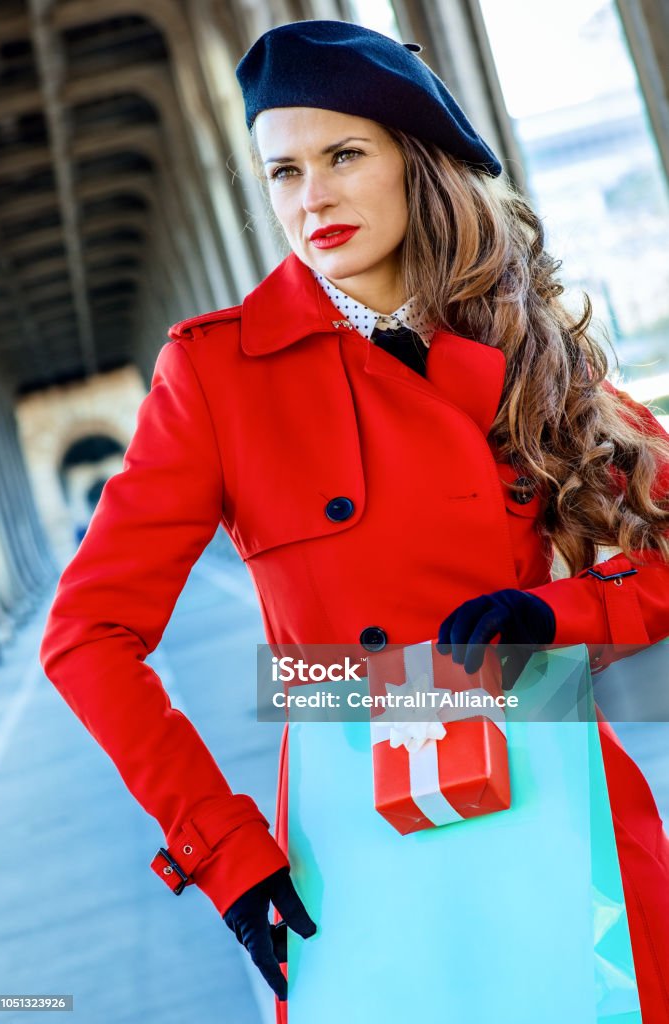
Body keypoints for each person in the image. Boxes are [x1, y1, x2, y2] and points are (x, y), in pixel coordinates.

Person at [39, 19, 669, 1023]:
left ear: (417, 166)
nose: (311, 197)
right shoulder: (215, 373)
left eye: (342, 156)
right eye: (281, 171)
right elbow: (86, 636)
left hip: (560, 796)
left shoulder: (528, 341)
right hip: (357, 834)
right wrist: (225, 851)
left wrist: (556, 617)